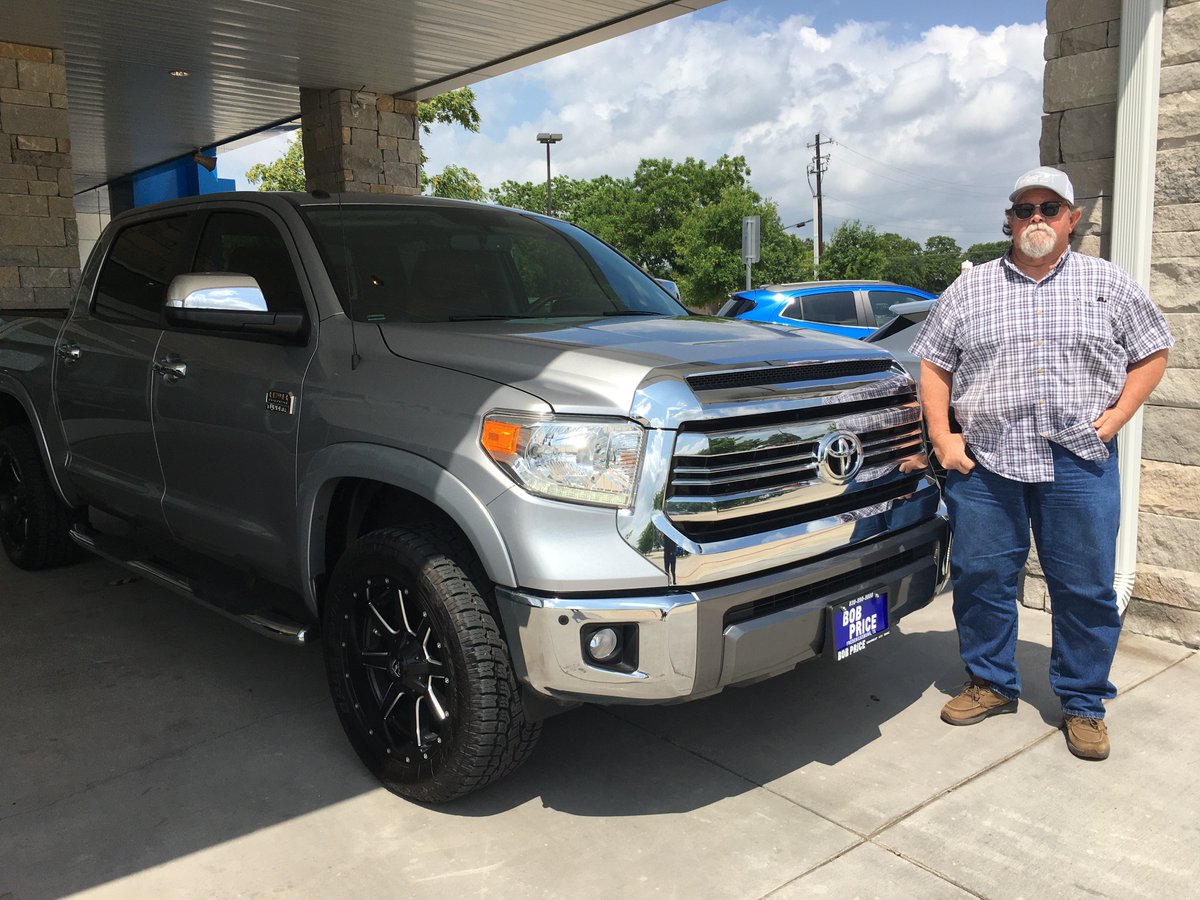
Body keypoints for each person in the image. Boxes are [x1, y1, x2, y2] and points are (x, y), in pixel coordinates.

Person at [909, 166, 1173, 761]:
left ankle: (1083, 702)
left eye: (1049, 209)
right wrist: (944, 438)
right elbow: (933, 364)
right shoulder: (971, 289)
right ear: (1009, 219)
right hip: (987, 465)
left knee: (1084, 588)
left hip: (1078, 464)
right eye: (1024, 208)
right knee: (981, 579)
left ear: (1072, 220)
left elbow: (1154, 350)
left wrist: (1116, 417)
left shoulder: (1108, 284)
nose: (1036, 218)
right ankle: (991, 683)